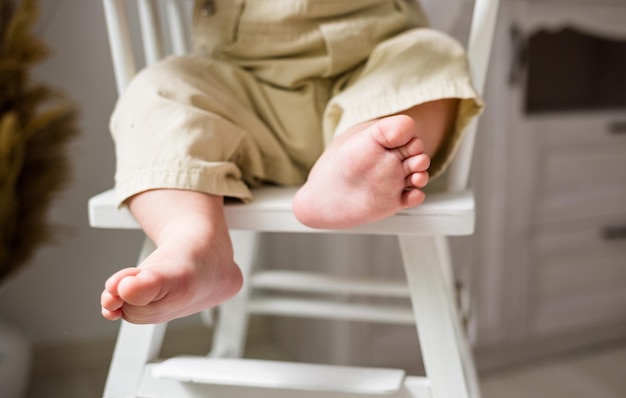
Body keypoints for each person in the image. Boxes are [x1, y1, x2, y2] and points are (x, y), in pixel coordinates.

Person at [100, 0, 483, 325]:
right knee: (156, 91)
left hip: (374, 78)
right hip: (243, 96)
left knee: (433, 57)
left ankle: (353, 161)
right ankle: (192, 241)